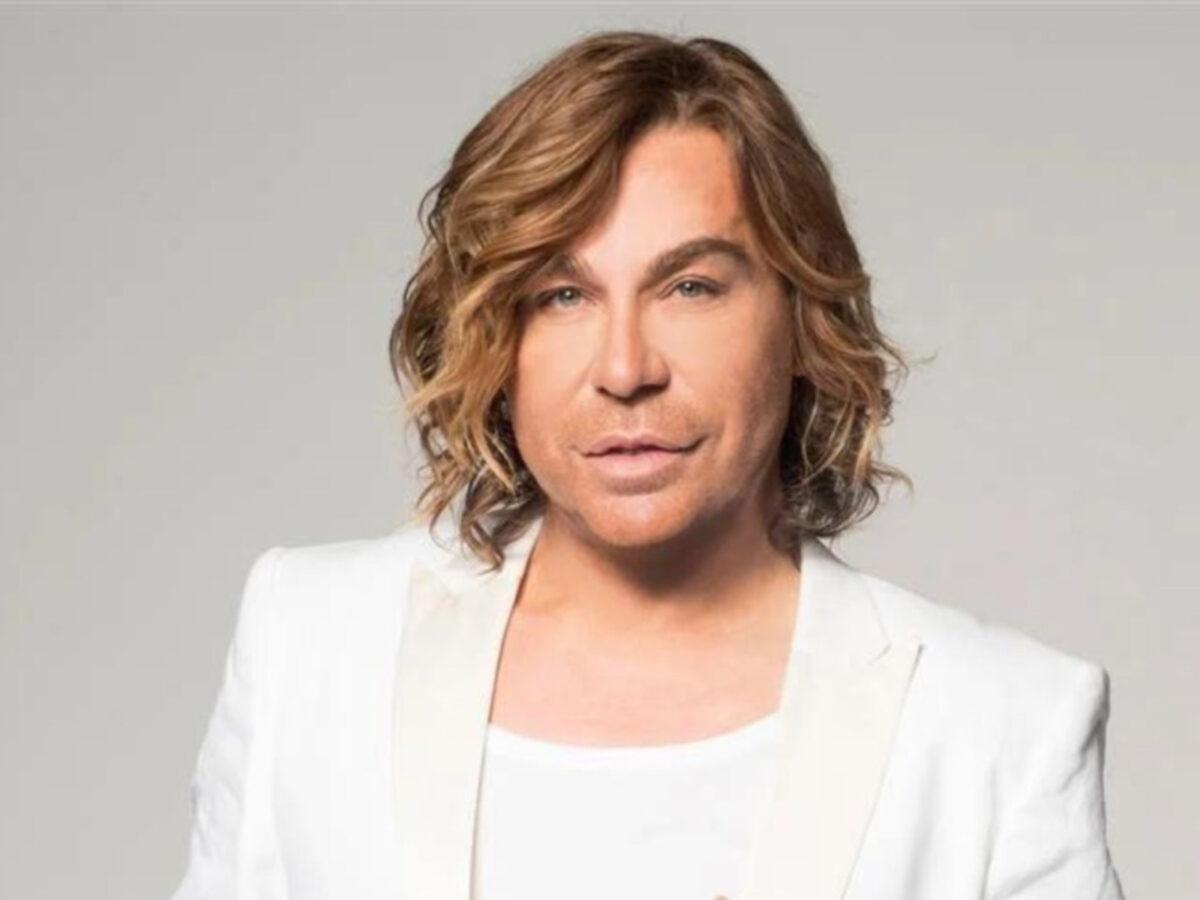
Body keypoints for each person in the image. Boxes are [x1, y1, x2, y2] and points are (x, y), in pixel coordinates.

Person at [168, 30, 1124, 900]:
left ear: (802, 319)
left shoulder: (1000, 725)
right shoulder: (311, 642)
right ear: (493, 338)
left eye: (691, 286)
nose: (625, 369)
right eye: (561, 295)